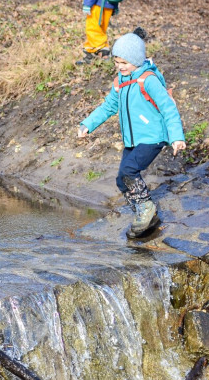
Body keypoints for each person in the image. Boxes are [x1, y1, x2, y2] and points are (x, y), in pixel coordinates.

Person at [77, 31, 186, 239]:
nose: (120, 66)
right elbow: (108, 106)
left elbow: (168, 109)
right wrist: (87, 124)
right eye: (117, 62)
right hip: (132, 140)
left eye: (124, 62)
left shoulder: (148, 80)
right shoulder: (121, 82)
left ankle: (146, 209)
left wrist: (176, 137)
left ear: (136, 60)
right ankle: (145, 216)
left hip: (152, 137)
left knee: (129, 170)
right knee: (121, 180)